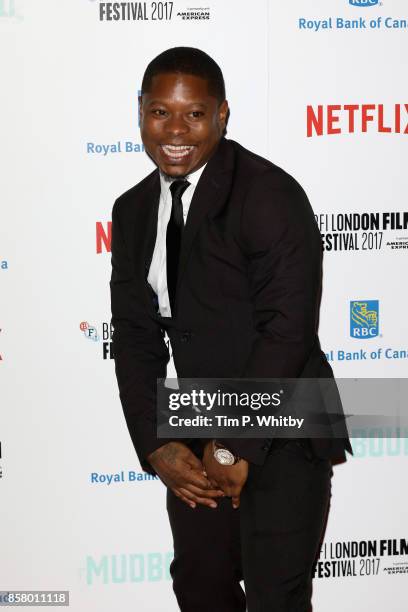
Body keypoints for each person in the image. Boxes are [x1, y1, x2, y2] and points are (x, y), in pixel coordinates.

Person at [110, 46, 352, 612]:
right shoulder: (132, 210)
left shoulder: (269, 194)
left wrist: (233, 444)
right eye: (159, 112)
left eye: (194, 114)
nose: (175, 130)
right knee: (200, 590)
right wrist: (155, 444)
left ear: (222, 115)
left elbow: (287, 331)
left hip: (285, 418)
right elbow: (135, 336)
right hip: (196, 420)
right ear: (139, 110)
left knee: (277, 599)